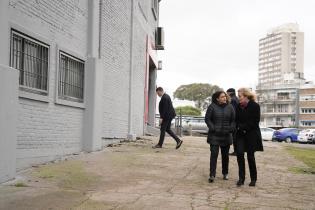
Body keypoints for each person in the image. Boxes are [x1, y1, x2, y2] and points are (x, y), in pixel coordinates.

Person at [205, 91, 235, 183]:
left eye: (225, 96)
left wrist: (231, 128)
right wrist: (212, 127)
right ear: (217, 98)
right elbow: (207, 119)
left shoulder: (230, 107)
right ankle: (212, 175)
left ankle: (225, 173)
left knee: (225, 156)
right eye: (222, 97)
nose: (224, 98)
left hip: (226, 135)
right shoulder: (212, 107)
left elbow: (233, 120)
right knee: (214, 155)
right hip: (214, 135)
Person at [235, 88, 263, 187]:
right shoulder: (238, 106)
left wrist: (242, 127)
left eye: (240, 96)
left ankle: (253, 179)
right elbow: (236, 119)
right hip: (240, 134)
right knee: (239, 154)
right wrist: (239, 127)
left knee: (250, 156)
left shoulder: (255, 106)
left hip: (251, 134)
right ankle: (241, 178)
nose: (239, 98)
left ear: (246, 96)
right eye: (238, 96)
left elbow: (255, 121)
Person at [226, 88, 239, 156]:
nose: (226, 94)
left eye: (227, 92)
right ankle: (236, 151)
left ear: (230, 93)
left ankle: (236, 151)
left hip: (234, 121)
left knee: (234, 137)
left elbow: (233, 111)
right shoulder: (236, 98)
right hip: (236, 121)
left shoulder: (233, 100)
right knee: (235, 137)